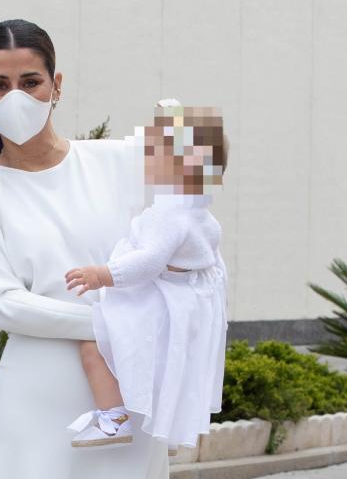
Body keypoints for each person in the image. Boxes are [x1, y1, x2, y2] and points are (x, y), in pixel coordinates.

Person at [0, 19, 169, 478]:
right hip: (37, 393)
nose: (16, 98)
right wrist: (117, 321)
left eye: (31, 82)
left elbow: (181, 243)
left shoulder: (121, 163)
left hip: (130, 389)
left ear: (56, 84)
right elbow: (6, 305)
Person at [64, 103, 228, 453]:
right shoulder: (204, 215)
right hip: (181, 305)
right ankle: (163, 423)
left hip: (151, 300)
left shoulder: (170, 213)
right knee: (160, 368)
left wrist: (103, 275)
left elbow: (150, 261)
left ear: (178, 165)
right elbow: (209, 267)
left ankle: (113, 417)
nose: (146, 158)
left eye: (155, 152)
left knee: (93, 342)